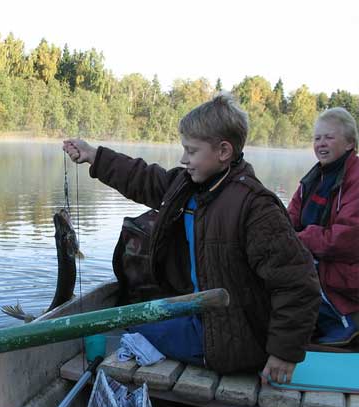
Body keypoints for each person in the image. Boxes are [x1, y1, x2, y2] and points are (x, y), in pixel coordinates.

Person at [63, 94, 320, 384]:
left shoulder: (256, 208)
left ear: (223, 151)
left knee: (127, 326)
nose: (184, 159)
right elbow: (144, 178)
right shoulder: (189, 185)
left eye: (192, 151)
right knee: (129, 317)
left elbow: (298, 283)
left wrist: (283, 352)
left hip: (231, 340)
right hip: (201, 317)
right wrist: (95, 156)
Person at [288, 107, 359, 346]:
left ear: (350, 143)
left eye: (329, 137)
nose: (321, 143)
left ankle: (346, 319)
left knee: (304, 263)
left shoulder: (356, 178)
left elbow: (346, 239)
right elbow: (289, 219)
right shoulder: (314, 178)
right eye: (317, 138)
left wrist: (300, 239)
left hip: (347, 270)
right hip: (318, 258)